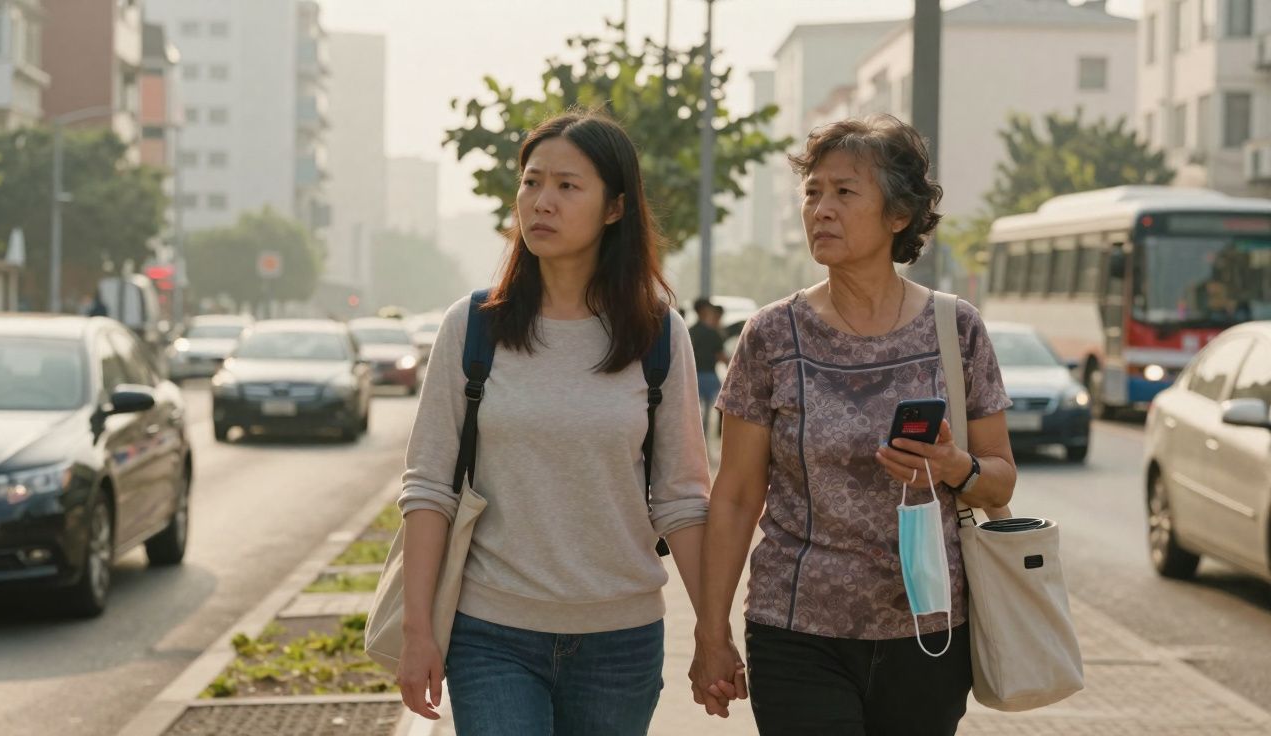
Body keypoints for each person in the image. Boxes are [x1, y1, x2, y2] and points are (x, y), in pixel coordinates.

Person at [690, 114, 1018, 735]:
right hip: (795, 628)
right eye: (813, 192)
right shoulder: (770, 335)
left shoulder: (957, 328)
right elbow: (733, 496)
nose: (822, 209)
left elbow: (999, 481)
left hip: (927, 630)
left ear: (899, 215)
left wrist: (954, 467)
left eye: (845, 192)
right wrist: (712, 629)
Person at [396, 110, 712, 735]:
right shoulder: (474, 326)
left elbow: (680, 498)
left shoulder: (657, 334)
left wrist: (713, 630)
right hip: (491, 632)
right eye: (532, 182)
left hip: (620, 639)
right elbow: (429, 486)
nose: (542, 202)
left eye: (568, 186)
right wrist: (417, 633)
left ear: (615, 208)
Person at [688, 297, 728, 436]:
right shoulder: (713, 333)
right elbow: (721, 356)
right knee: (708, 417)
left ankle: (695, 438)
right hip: (710, 378)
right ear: (704, 310)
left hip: (693, 378)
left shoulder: (690, 331)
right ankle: (704, 442)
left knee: (695, 415)